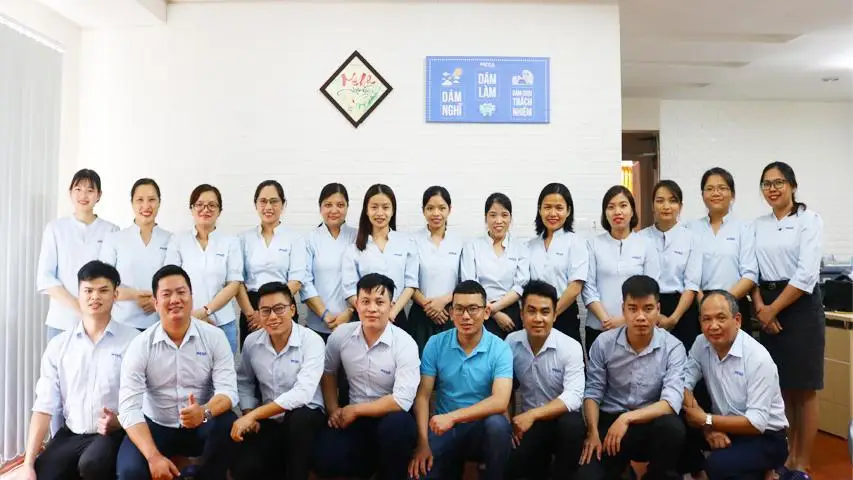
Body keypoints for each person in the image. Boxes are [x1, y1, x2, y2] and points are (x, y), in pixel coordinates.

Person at [116, 265, 238, 480]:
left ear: (191, 297)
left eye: (181, 292)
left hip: (201, 423)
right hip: (157, 424)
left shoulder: (214, 337)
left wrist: (204, 411)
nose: (175, 300)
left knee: (227, 423)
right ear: (155, 302)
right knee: (129, 471)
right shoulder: (140, 345)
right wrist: (153, 457)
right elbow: (129, 408)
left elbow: (228, 391)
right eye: (166, 294)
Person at [22, 261, 139, 480]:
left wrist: (120, 420)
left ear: (115, 295)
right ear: (79, 294)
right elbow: (44, 406)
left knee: (92, 464)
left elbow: (144, 398)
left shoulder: (133, 341)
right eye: (88, 291)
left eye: (103, 290)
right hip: (72, 433)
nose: (95, 297)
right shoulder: (59, 346)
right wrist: (28, 464)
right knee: (43, 473)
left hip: (113, 433)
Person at [753, 161, 824, 473]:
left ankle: (802, 463)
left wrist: (773, 309)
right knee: (781, 389)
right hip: (766, 306)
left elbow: (806, 274)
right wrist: (760, 307)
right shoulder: (757, 225)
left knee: (804, 389)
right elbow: (751, 270)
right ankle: (787, 457)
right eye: (767, 183)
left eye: (779, 182)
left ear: (793, 186)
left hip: (800, 306)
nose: (772, 188)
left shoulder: (809, 220)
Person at [577, 275, 686, 480]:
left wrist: (627, 418)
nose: (641, 317)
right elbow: (593, 392)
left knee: (672, 427)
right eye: (633, 308)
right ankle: (624, 470)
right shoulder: (603, 343)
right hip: (611, 423)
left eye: (648, 308)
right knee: (586, 476)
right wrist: (593, 432)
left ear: (658, 309)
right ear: (623, 309)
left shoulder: (673, 347)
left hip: (650, 422)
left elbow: (671, 403)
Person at [312, 273, 419, 480]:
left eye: (379, 302)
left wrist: (355, 410)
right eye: (365, 301)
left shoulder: (405, 344)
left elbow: (402, 400)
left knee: (398, 428)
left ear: (391, 306)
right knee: (325, 458)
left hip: (390, 416)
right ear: (357, 305)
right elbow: (328, 372)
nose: (372, 308)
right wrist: (333, 409)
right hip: (354, 419)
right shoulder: (341, 335)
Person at [408, 280, 513, 480]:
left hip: (481, 429)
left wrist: (453, 417)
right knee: (419, 474)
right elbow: (422, 396)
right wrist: (423, 443)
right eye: (459, 309)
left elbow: (500, 401)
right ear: (451, 312)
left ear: (486, 312)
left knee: (498, 426)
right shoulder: (435, 343)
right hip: (445, 429)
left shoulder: (500, 348)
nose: (465, 316)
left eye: (473, 309)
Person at [681, 290, 789, 480]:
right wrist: (708, 428)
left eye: (721, 318)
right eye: (707, 319)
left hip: (766, 436)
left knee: (717, 466)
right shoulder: (701, 343)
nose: (713, 326)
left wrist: (706, 420)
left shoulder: (757, 358)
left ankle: (779, 472)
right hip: (724, 425)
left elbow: (756, 423)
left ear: (737, 320)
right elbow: (682, 383)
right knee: (674, 423)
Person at [230, 281, 326, 480]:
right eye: (265, 311)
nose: (272, 317)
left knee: (298, 420)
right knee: (244, 467)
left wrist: (255, 414)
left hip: (307, 416)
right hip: (270, 419)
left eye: (279, 309)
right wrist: (248, 412)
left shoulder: (311, 341)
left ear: (292, 310)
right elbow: (244, 381)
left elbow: (303, 393)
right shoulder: (252, 342)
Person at [505, 280, 586, 480]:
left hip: (561, 422)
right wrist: (508, 422)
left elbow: (574, 396)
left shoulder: (570, 347)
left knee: (572, 425)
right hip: (530, 425)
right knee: (513, 464)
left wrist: (532, 415)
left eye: (545, 312)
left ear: (555, 315)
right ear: (522, 315)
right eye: (531, 311)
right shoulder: (511, 343)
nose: (538, 319)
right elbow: (504, 388)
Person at [37, 169, 118, 340]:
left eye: (90, 190)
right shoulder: (55, 228)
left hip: (99, 322)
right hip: (61, 321)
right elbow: (46, 277)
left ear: (99, 195)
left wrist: (92, 311)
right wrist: (80, 309)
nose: (83, 195)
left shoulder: (111, 231)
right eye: (78, 189)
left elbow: (111, 278)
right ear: (70, 192)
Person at [165, 184, 243, 353]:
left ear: (219, 211)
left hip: (223, 323)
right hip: (186, 321)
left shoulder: (230, 242)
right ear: (192, 208)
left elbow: (234, 284)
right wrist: (193, 315)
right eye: (199, 204)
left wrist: (206, 311)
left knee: (225, 369)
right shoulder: (178, 240)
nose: (205, 209)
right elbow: (171, 282)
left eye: (212, 205)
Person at [582, 186, 661, 352]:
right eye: (611, 207)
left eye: (623, 205)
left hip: (635, 327)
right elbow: (588, 288)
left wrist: (624, 320)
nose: (617, 211)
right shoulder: (593, 244)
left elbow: (651, 287)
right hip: (598, 327)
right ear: (605, 213)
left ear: (632, 211)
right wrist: (606, 320)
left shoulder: (646, 244)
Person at [687, 167, 758, 331]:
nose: (716, 193)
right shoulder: (691, 228)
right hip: (699, 304)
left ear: (733, 194)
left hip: (734, 302)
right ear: (702, 195)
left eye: (722, 188)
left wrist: (723, 303)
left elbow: (750, 274)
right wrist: (704, 303)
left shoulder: (744, 228)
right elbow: (688, 274)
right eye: (709, 189)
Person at [236, 180, 306, 348]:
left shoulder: (295, 238)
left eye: (274, 201)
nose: (268, 207)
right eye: (263, 201)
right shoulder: (243, 238)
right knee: (253, 358)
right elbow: (237, 281)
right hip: (252, 309)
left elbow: (296, 281)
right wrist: (253, 314)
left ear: (283, 204)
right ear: (256, 204)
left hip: (283, 306)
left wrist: (271, 309)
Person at [342, 184, 418, 332]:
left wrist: (391, 312)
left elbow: (411, 283)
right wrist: (369, 311)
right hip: (365, 317)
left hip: (396, 316)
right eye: (374, 207)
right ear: (366, 210)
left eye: (385, 207)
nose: (380, 213)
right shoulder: (354, 248)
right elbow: (349, 289)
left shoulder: (406, 242)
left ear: (393, 210)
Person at [100, 178, 172, 331]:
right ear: (132, 203)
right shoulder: (115, 239)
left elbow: (176, 282)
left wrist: (157, 300)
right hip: (122, 325)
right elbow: (103, 283)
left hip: (161, 324)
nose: (146, 206)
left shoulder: (171, 240)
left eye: (151, 200)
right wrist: (135, 295)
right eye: (140, 200)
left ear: (159, 202)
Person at [639, 180, 702, 350]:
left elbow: (691, 284)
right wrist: (654, 313)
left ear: (680, 206)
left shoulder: (691, 238)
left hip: (682, 308)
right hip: (648, 307)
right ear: (652, 206)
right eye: (660, 201)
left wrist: (674, 318)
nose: (666, 206)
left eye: (672, 201)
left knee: (684, 358)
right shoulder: (640, 238)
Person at [461, 193, 529, 339]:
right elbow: (470, 283)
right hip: (478, 312)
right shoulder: (472, 246)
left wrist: (494, 308)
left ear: (510, 218)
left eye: (504, 215)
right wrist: (494, 313)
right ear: (485, 218)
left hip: (510, 314)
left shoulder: (520, 248)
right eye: (493, 215)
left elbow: (520, 285)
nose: (499, 221)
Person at [527, 183, 589, 344]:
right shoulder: (530, 245)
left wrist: (551, 314)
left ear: (568, 211)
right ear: (540, 209)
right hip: (534, 316)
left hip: (564, 314)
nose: (553, 213)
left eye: (559, 208)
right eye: (547, 207)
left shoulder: (576, 242)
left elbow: (575, 287)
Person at [410, 186, 463, 354]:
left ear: (449, 209)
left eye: (441, 208)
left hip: (450, 314)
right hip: (420, 314)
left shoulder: (458, 242)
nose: (436, 213)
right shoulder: (412, 240)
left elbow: (464, 281)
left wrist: (443, 302)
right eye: (430, 208)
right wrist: (429, 306)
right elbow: (408, 280)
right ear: (423, 210)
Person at [302, 183, 358, 340]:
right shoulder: (309, 239)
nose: (334, 210)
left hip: (352, 324)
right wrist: (324, 315)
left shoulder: (358, 237)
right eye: (328, 205)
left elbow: (364, 279)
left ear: (347, 207)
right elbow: (305, 282)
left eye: (340, 205)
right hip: (317, 326)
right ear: (320, 208)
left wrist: (349, 312)